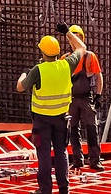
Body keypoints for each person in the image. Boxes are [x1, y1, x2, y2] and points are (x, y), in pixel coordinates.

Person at [16, 27, 87, 194]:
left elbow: (20, 87)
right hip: (62, 118)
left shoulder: (38, 70)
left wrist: (23, 75)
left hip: (42, 120)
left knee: (44, 155)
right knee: (61, 152)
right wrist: (68, 32)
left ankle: (45, 190)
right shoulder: (66, 65)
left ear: (42, 52)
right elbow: (82, 48)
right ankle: (64, 188)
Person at [66, 25, 104, 172]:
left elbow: (98, 75)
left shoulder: (89, 56)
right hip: (71, 99)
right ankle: (77, 161)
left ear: (81, 39)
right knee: (73, 130)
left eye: (78, 37)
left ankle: (95, 160)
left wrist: (98, 95)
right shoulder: (66, 59)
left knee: (92, 129)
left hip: (86, 98)